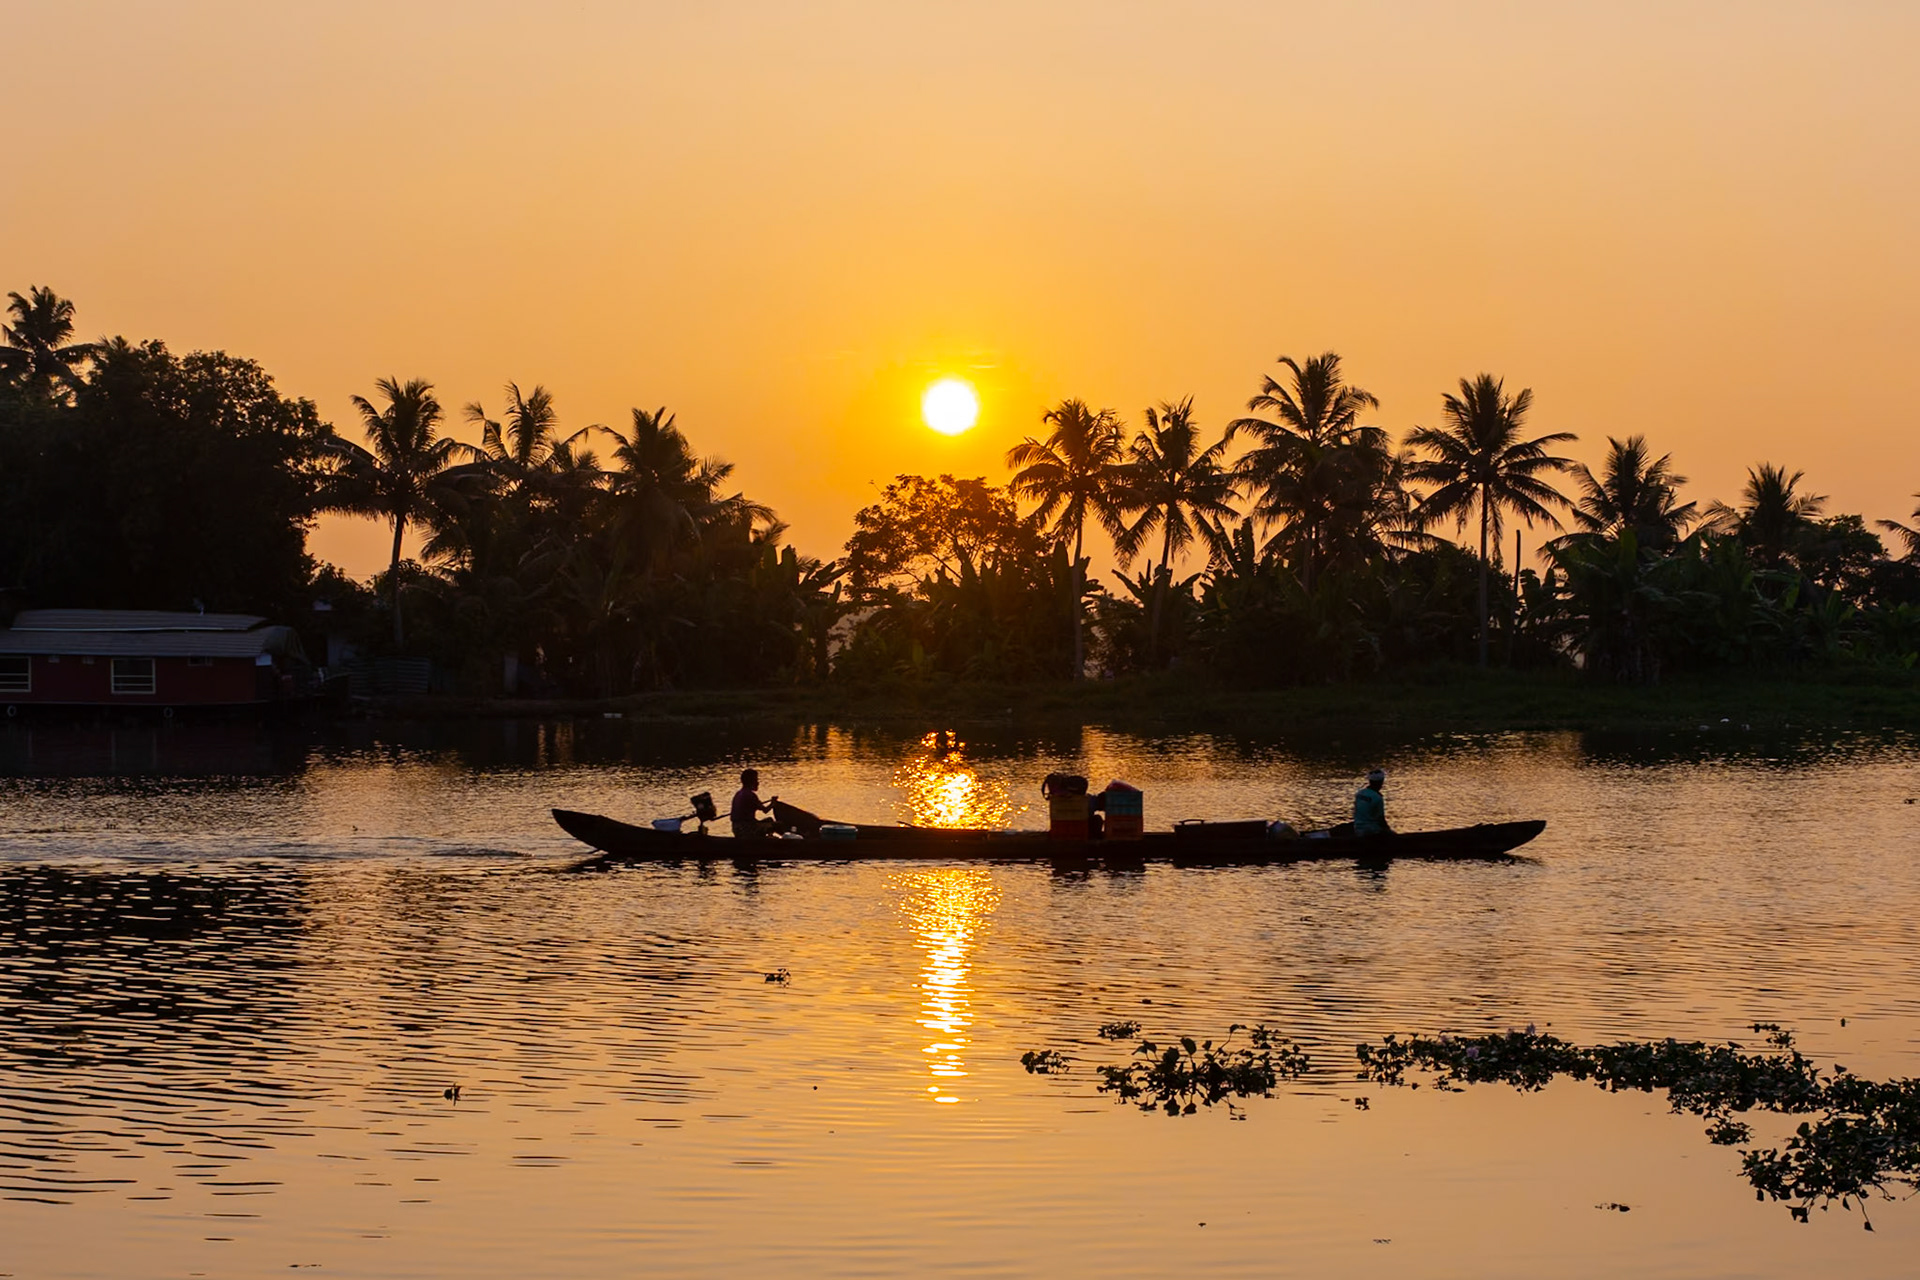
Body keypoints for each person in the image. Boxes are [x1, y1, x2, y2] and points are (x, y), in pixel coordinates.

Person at [730, 768, 779, 838]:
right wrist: (773, 802)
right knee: (776, 825)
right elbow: (765, 810)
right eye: (756, 780)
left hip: (736, 828)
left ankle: (766, 838)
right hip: (745, 829)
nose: (758, 782)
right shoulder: (750, 795)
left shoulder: (738, 793)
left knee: (769, 820)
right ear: (751, 782)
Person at [1352, 768, 1391, 837]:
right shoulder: (1377, 797)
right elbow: (1380, 819)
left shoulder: (1359, 793)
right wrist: (1389, 830)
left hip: (1357, 828)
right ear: (1381, 782)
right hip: (1371, 830)